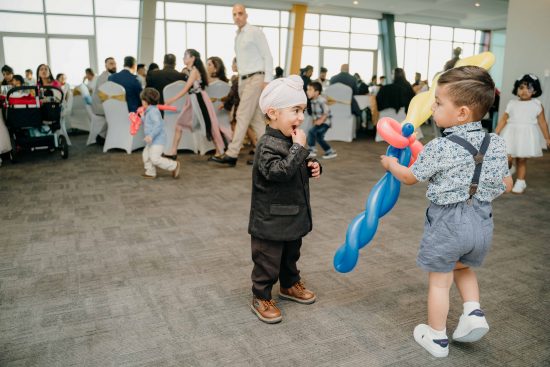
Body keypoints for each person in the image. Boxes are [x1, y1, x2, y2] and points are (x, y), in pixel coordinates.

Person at [380, 66, 512, 358]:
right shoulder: (497, 143)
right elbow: (508, 182)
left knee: (440, 279)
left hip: (448, 224)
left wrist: (390, 165)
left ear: (462, 112)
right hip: (482, 222)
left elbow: (411, 176)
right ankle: (473, 312)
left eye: (438, 103)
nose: (433, 108)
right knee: (463, 268)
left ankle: (437, 338)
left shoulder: (439, 147)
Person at [249, 75, 322, 323]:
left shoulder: (292, 140)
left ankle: (289, 284)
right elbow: (278, 172)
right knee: (267, 260)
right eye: (295, 110)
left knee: (291, 254)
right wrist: (299, 150)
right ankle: (261, 295)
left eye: (303, 110)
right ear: (273, 113)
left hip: (292, 213)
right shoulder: (266, 144)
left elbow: (299, 162)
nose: (301, 117)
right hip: (270, 219)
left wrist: (312, 163)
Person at [210, 3, 273, 167]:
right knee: (256, 120)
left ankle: (232, 153)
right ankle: (268, 155)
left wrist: (267, 80)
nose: (237, 17)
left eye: (240, 13)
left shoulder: (255, 32)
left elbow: (268, 56)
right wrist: (239, 84)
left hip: (256, 78)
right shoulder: (238, 36)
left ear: (246, 15)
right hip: (244, 80)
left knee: (242, 115)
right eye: (234, 14)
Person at [164, 49, 232, 159]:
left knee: (209, 126)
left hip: (199, 100)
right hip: (193, 100)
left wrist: (171, 100)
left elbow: (186, 88)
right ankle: (173, 152)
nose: (184, 58)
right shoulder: (192, 71)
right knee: (180, 124)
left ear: (192, 58)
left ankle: (220, 152)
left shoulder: (194, 71)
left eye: (186, 56)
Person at [494, 74, 550, 194]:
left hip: (526, 136)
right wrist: (496, 132)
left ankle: (520, 182)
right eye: (521, 88)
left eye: (528, 88)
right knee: (506, 158)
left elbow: (543, 122)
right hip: (511, 133)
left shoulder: (536, 104)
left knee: (521, 160)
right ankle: (508, 172)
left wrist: (547, 138)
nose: (524, 91)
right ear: (517, 90)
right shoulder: (512, 103)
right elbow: (504, 119)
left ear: (535, 90)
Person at [140, 88, 180, 179]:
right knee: (146, 156)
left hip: (157, 140)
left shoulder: (153, 112)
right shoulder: (149, 111)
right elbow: (148, 123)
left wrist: (151, 136)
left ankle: (174, 165)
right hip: (151, 141)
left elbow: (158, 125)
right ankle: (150, 172)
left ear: (146, 101)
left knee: (154, 158)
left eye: (142, 100)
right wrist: (142, 117)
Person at [306, 81, 336, 159]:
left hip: (325, 122)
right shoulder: (312, 101)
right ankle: (330, 151)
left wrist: (321, 120)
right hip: (320, 122)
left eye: (310, 90)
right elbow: (315, 114)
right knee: (319, 138)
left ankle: (312, 149)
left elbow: (326, 112)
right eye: (307, 89)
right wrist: (315, 121)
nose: (307, 91)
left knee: (311, 132)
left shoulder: (321, 100)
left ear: (316, 92)